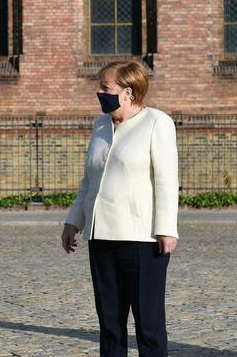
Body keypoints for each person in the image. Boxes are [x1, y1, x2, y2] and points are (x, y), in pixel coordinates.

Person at [61, 60, 179, 357]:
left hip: (141, 240)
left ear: (127, 92)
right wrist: (73, 222)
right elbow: (90, 179)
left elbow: (166, 179)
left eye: (105, 88)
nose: (99, 93)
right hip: (101, 238)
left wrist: (166, 229)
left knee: (148, 325)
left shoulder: (156, 122)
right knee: (110, 324)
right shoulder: (100, 125)